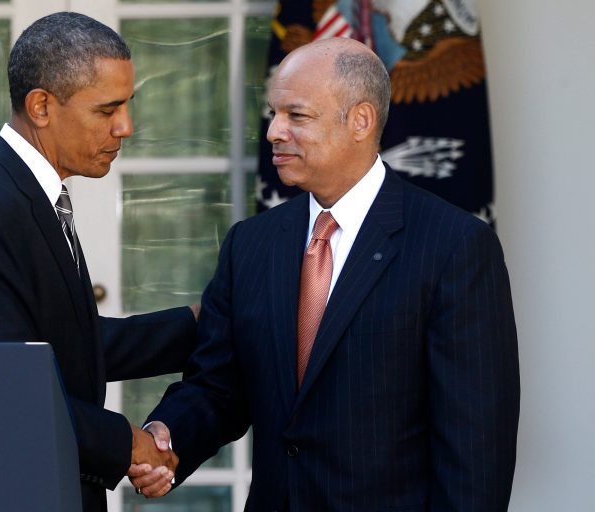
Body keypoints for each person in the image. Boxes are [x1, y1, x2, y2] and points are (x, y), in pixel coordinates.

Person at [130, 37, 520, 510]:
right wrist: (166, 435)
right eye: (273, 114)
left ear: (360, 120)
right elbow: (219, 384)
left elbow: (475, 446)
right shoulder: (250, 244)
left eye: (296, 116)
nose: (274, 131)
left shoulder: (454, 246)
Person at [0, 12, 191, 511]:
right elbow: (4, 389)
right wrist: (127, 441)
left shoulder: (20, 193)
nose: (126, 127)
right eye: (107, 110)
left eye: (126, 106)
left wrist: (197, 325)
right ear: (41, 106)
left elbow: (67, 344)